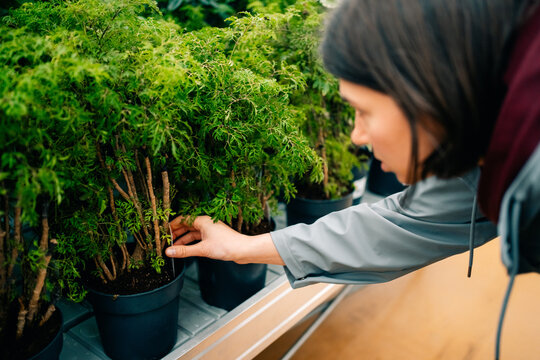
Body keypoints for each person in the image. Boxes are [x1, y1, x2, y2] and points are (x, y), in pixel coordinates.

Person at [167, 0, 540, 357]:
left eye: (363, 111)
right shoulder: (484, 150)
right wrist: (244, 248)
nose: (356, 136)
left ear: (429, 93)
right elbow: (396, 226)